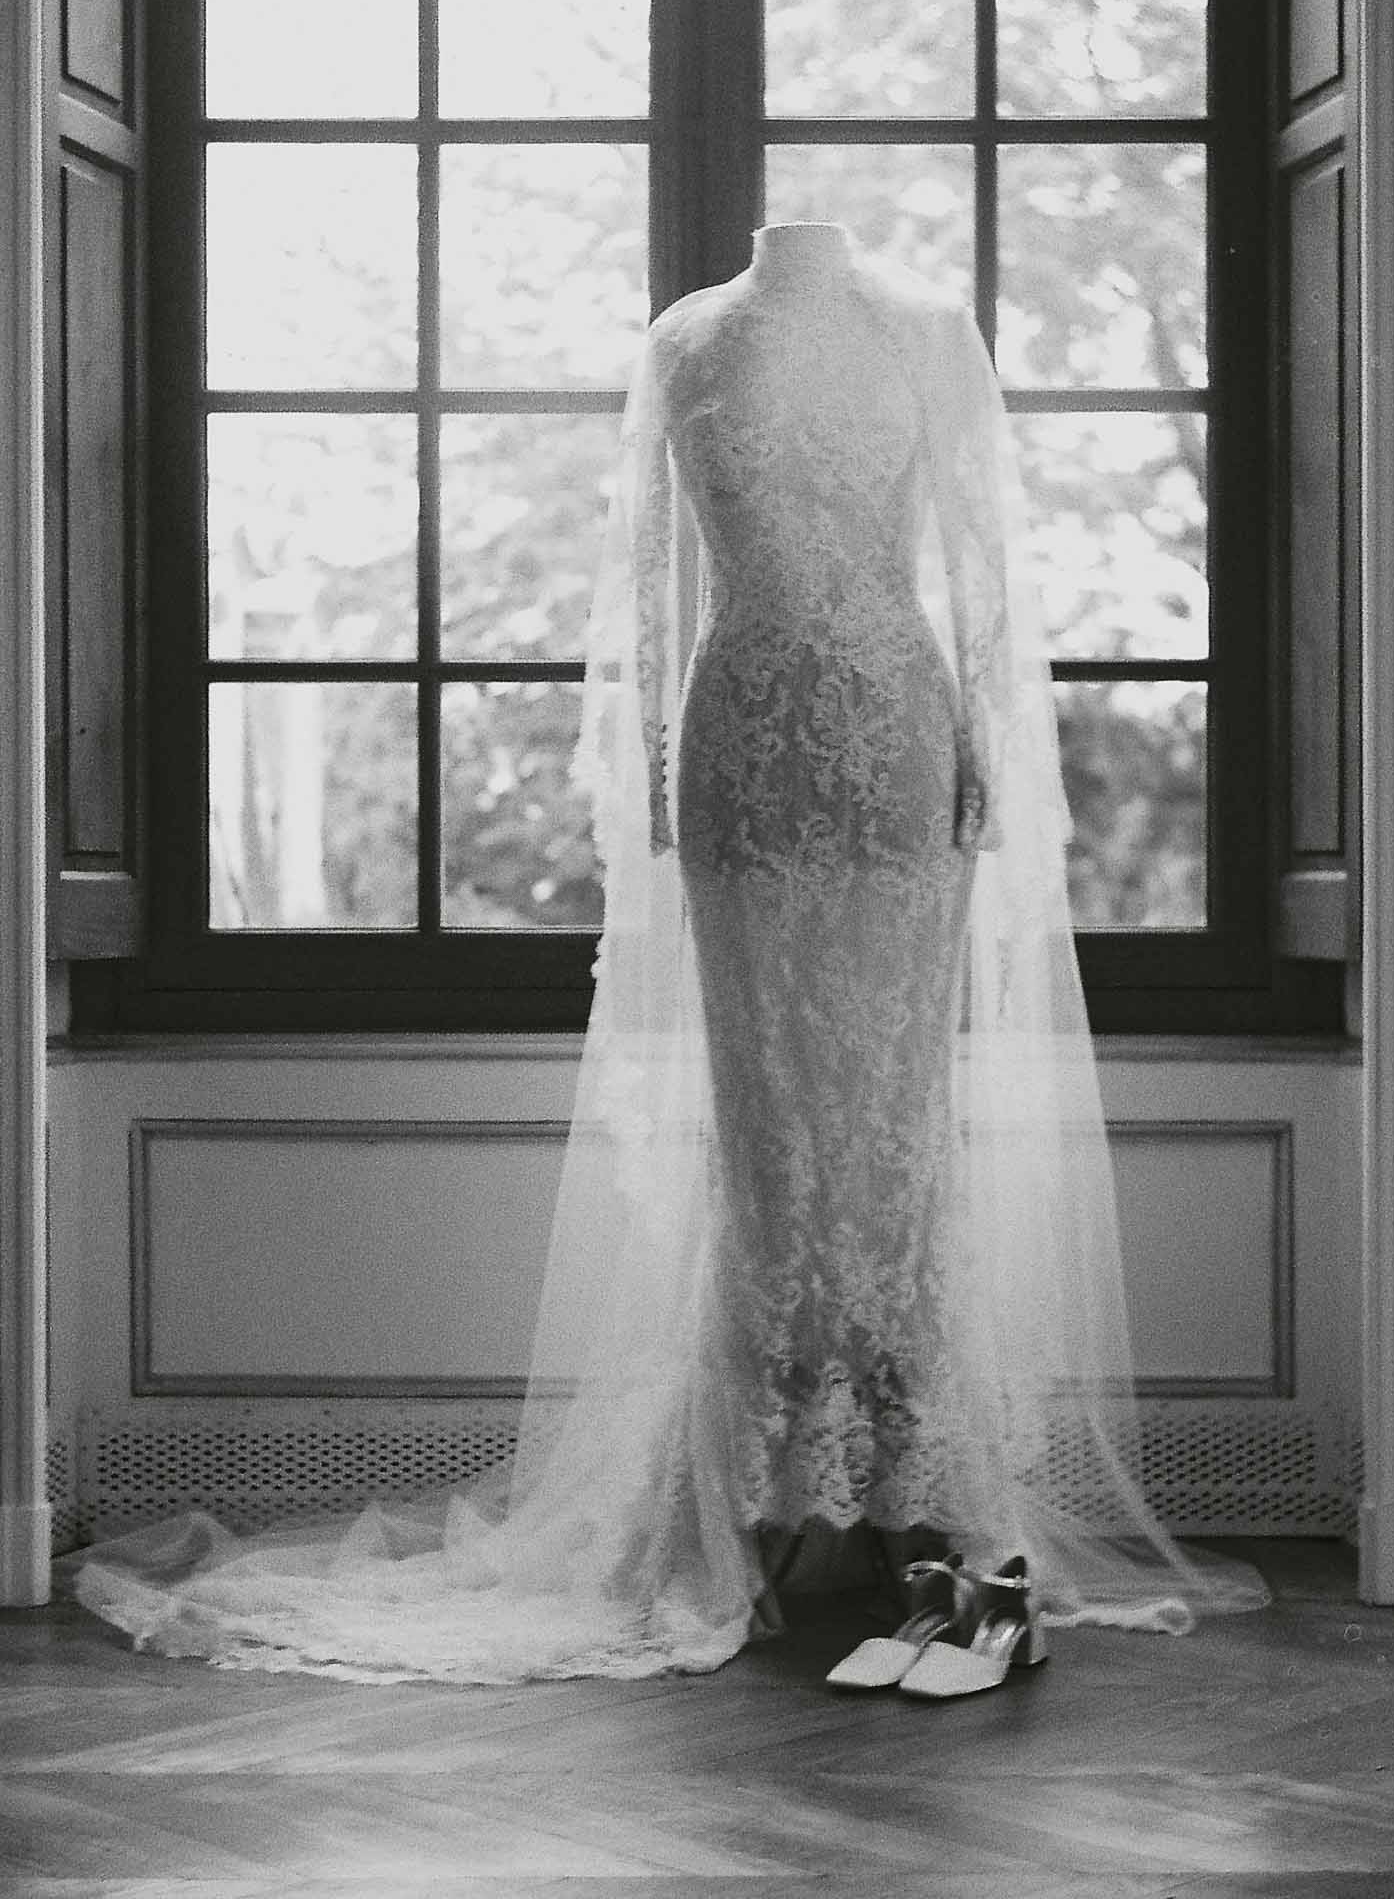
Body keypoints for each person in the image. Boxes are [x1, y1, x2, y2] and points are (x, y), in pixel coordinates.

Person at [61, 224, 1269, 1685]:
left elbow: (979, 557)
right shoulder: (686, 337)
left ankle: (913, 1495)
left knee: (891, 1130)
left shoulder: (924, 327)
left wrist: (986, 766)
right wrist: (643, 763)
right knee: (770, 1136)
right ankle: (769, 1494)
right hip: (740, 752)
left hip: (893, 749)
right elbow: (644, 578)